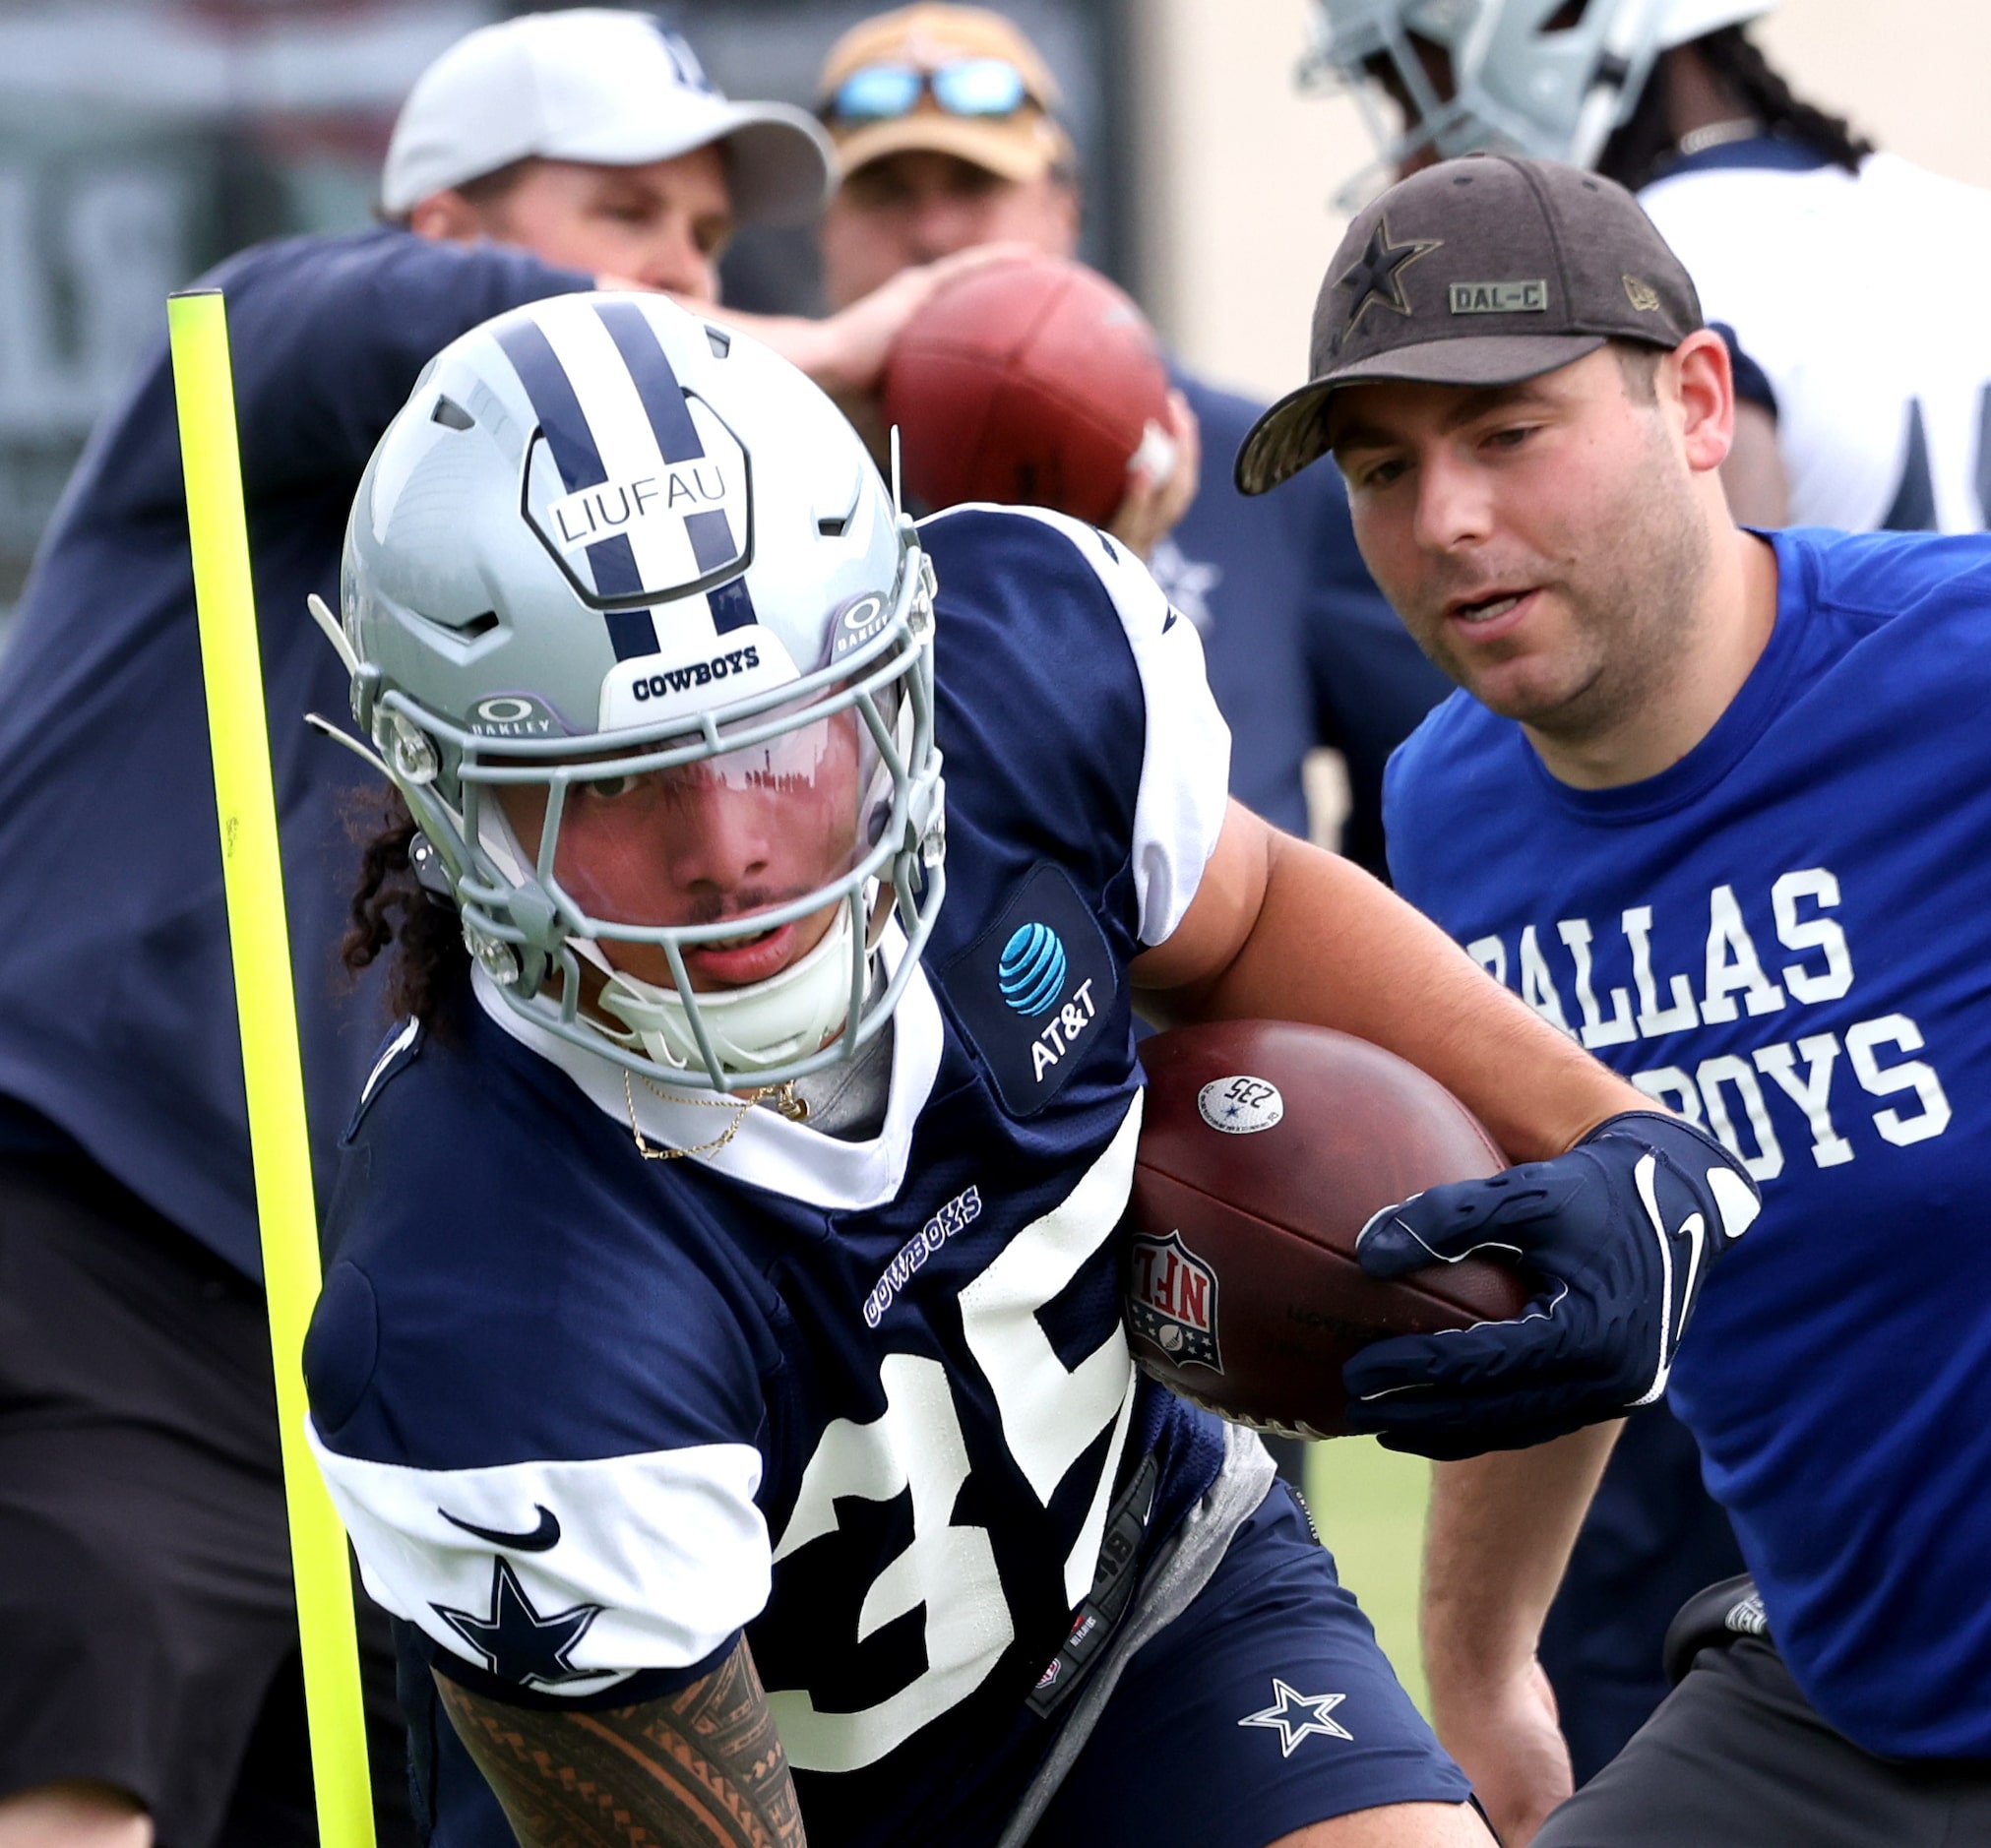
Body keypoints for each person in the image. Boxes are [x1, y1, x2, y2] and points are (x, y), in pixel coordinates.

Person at [303, 284, 1757, 1848]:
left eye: (781, 748)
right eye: (618, 787)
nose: (728, 853)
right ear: (456, 804)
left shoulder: (1028, 673)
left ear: (899, 674)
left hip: (1152, 1606)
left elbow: (1248, 901)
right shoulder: (486, 1295)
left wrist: (1611, 1137)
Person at [0, 11, 1005, 1845]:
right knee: (83, 1772)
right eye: (624, 209)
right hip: (103, 1249)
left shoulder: (636, 644)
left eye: (707, 241)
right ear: (444, 227)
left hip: (383, 1326)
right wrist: (841, 355)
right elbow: (444, 342)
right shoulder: (272, 345)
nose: (677, 277)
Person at [1236, 150, 1991, 1845]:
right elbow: (1568, 1251)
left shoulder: (1960, 675)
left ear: (1698, 401)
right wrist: (1483, 1657)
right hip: (1839, 1708)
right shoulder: (1448, 803)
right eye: (1382, 467)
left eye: (1507, 435)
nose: (1443, 521)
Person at [816, 2, 1453, 861]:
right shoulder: (771, 486)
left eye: (973, 187)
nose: (932, 234)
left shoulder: (1253, 464)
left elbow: (1429, 791)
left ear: (1062, 210)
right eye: (886, 195)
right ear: (827, 231)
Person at [1303, 0, 1991, 528]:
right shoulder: (1959, 216)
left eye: (1417, 92)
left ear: (1559, 23)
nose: (1408, 156)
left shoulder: (1635, 278)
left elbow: (1718, 664)